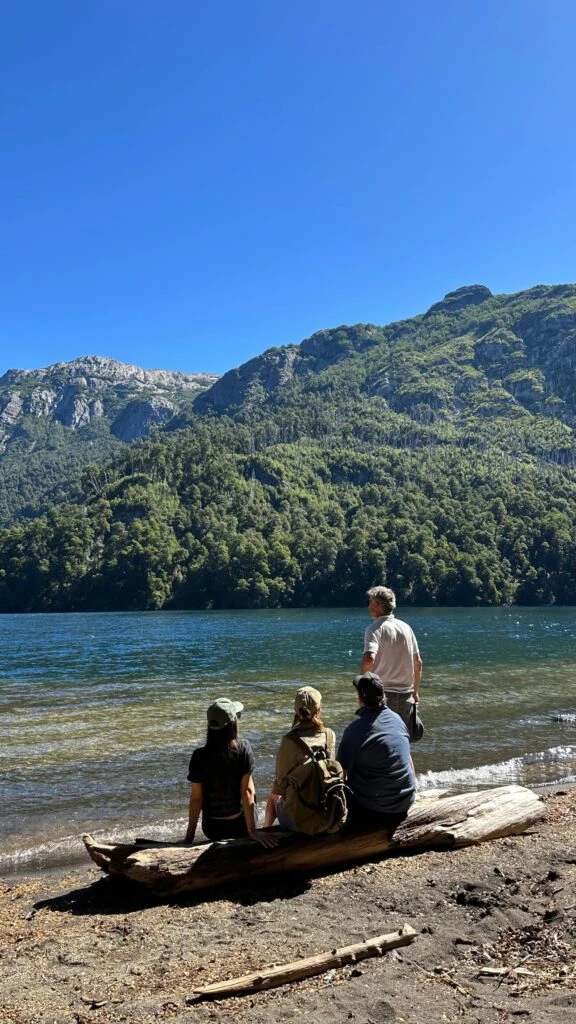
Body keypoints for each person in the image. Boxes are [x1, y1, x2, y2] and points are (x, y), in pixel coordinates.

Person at [185, 698, 276, 847]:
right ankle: (250, 826)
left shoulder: (198, 756)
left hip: (212, 829)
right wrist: (253, 831)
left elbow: (196, 799)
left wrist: (189, 838)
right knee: (248, 785)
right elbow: (246, 792)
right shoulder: (243, 748)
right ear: (233, 723)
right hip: (239, 827)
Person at [337, 672, 416, 834]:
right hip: (405, 801)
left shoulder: (355, 731)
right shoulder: (397, 719)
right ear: (383, 695)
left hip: (375, 809)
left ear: (361, 699)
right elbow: (408, 759)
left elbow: (340, 774)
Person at [264, 686, 336, 830]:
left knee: (273, 796)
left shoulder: (289, 742)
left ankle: (264, 835)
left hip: (300, 821)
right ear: (319, 710)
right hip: (328, 813)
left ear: (296, 711)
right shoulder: (329, 735)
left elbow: (280, 787)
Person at [361, 586, 423, 729]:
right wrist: (415, 692)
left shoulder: (374, 629)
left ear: (377, 604)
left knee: (380, 741)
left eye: (369, 602)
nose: (368, 605)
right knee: (402, 741)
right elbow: (418, 663)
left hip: (382, 695)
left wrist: (362, 687)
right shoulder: (406, 628)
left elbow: (370, 658)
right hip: (406, 695)